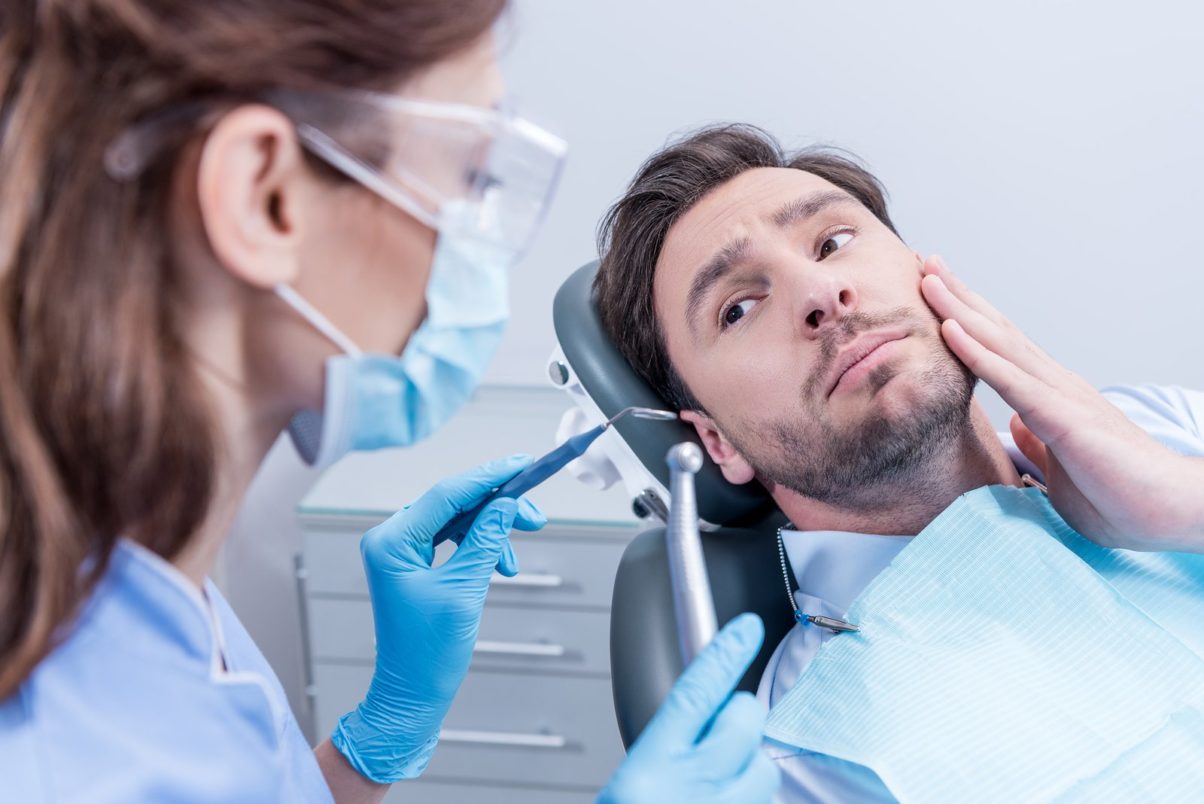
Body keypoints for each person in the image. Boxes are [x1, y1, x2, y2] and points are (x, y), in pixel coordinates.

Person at [0, 4, 780, 803]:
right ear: (265, 200)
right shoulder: (63, 764)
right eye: (471, 174)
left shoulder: (144, 587)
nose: (480, 237)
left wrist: (384, 727)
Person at [592, 123, 1204, 800]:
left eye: (831, 243)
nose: (820, 294)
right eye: (737, 308)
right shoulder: (812, 758)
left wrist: (1182, 501)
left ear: (926, 271)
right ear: (718, 443)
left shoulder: (1163, 427)